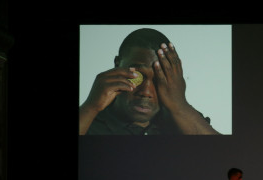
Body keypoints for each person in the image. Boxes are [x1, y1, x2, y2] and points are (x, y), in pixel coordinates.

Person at [80, 28, 220, 136]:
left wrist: (180, 105)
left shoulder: (185, 120)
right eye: (137, 76)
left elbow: (224, 155)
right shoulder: (89, 120)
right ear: (117, 64)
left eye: (159, 79)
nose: (146, 92)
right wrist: (91, 107)